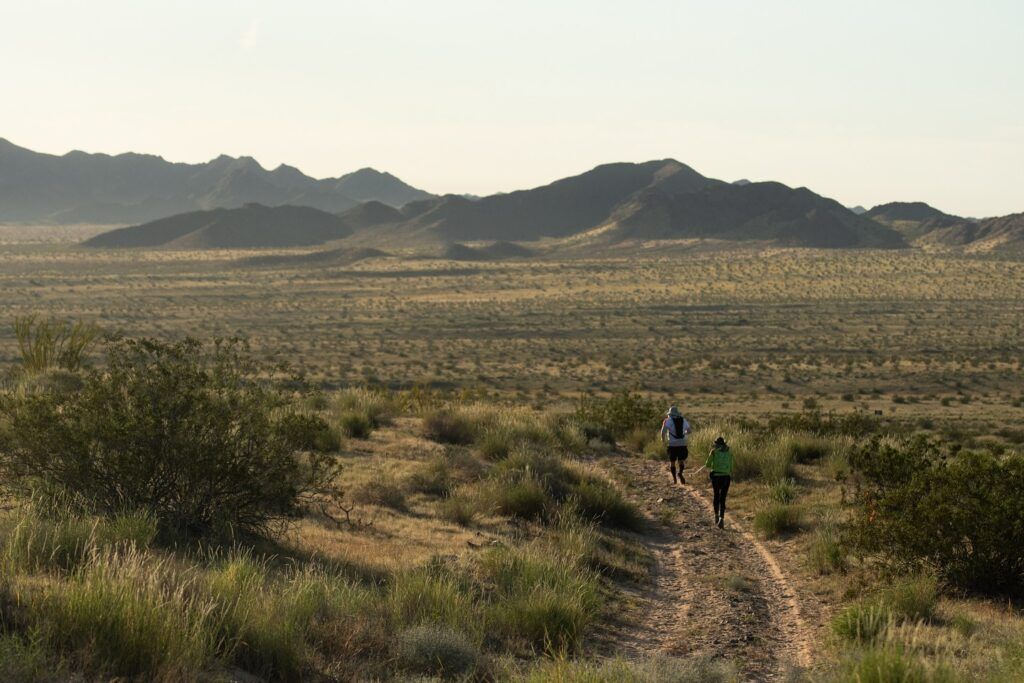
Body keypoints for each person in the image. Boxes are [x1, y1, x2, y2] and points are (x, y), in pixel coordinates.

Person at [705, 436, 734, 528]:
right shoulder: (729, 452)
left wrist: (712, 457)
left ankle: (716, 515)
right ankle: (722, 518)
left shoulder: (714, 452)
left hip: (716, 476)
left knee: (716, 495)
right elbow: (731, 467)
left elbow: (707, 464)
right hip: (726, 477)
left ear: (716, 444)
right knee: (723, 498)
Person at [660, 405, 691, 485]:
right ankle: (680, 473)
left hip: (672, 444)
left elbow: (663, 432)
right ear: (677, 414)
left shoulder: (667, 421)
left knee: (672, 462)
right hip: (682, 443)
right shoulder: (683, 420)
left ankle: (674, 479)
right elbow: (689, 431)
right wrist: (684, 433)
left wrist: (663, 441)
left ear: (670, 414)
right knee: (681, 461)